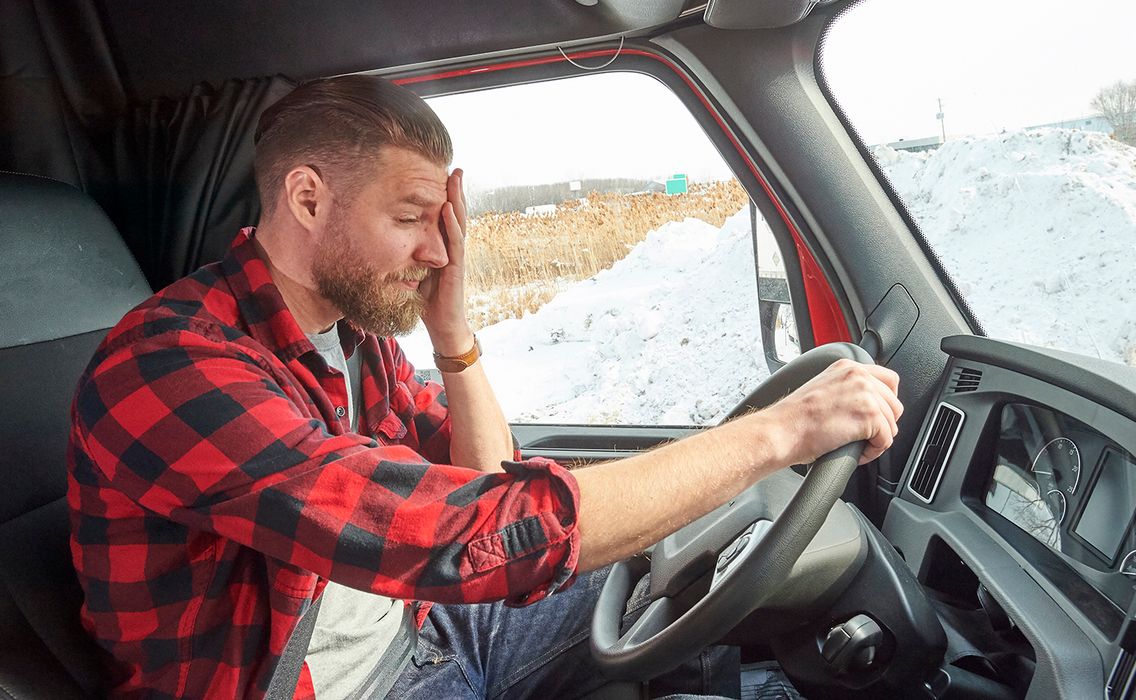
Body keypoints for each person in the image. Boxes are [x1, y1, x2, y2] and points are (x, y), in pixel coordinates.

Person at [67, 74, 903, 699]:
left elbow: (483, 482)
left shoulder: (350, 338)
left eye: (442, 223)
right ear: (309, 197)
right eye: (408, 219)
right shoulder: (172, 366)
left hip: (429, 627)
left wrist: (453, 336)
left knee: (674, 594)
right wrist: (772, 435)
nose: (436, 252)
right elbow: (453, 536)